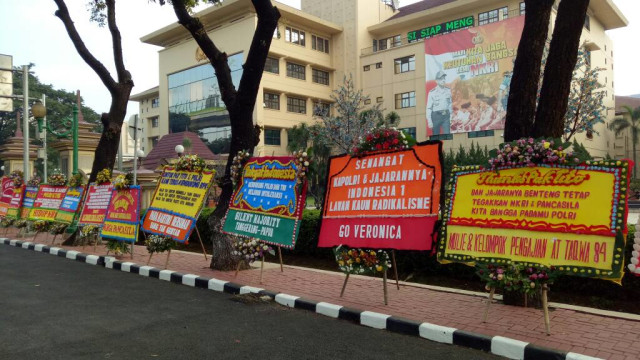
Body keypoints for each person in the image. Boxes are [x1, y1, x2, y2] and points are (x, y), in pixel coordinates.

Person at [427, 71, 452, 135]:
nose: (443, 80)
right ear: (436, 81)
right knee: (435, 137)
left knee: (447, 135)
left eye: (444, 78)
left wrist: (451, 117)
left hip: (446, 116)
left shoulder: (448, 90)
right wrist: (429, 121)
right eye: (441, 79)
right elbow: (429, 108)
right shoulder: (432, 92)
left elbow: (450, 105)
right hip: (436, 116)